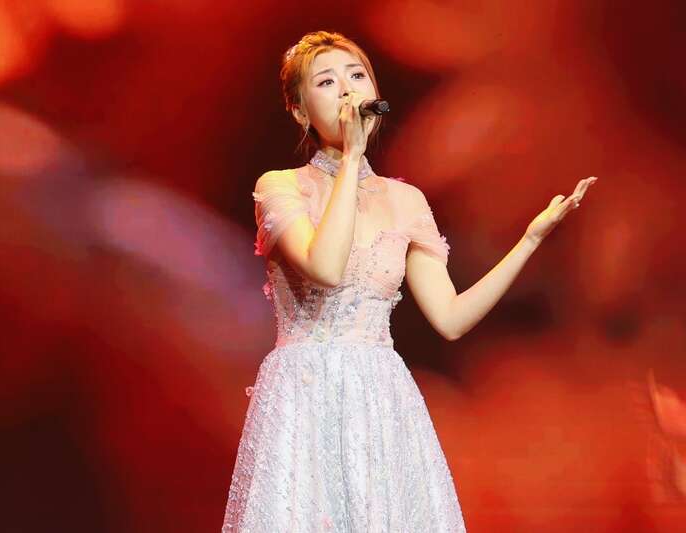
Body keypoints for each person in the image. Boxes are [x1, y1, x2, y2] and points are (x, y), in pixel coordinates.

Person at [221, 30, 597, 532]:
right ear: (299, 110)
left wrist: (529, 240)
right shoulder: (281, 187)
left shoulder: (407, 201)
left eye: (357, 76)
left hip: (380, 397)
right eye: (327, 82)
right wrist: (351, 159)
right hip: (305, 392)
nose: (347, 90)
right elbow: (325, 268)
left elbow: (451, 318)